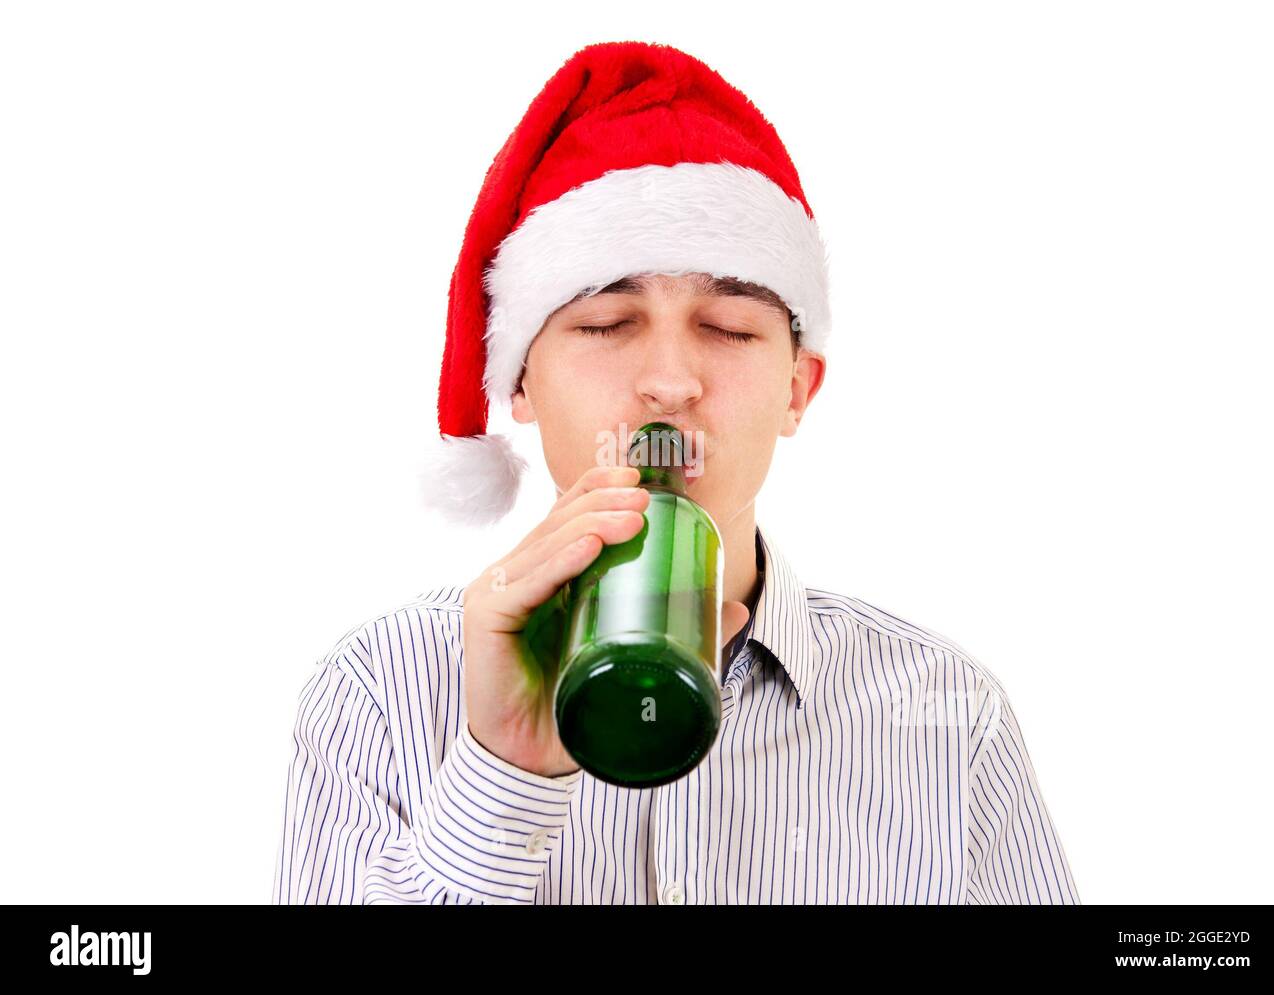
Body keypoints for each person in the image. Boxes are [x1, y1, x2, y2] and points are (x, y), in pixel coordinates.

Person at [273, 40, 1079, 905]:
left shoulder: (948, 716)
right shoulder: (381, 691)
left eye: (730, 326)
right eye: (606, 321)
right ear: (519, 384)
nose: (668, 380)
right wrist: (501, 768)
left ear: (797, 390)